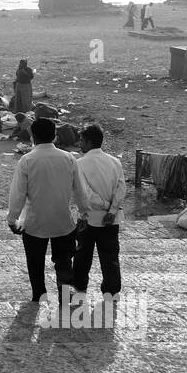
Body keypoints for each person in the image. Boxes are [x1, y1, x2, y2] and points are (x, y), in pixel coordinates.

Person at [7, 117, 79, 305]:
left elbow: (18, 193)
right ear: (55, 136)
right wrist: (84, 214)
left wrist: (12, 219)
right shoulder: (69, 158)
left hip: (34, 222)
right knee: (64, 260)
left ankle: (39, 294)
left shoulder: (27, 160)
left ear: (33, 137)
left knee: (35, 261)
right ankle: (65, 294)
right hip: (63, 221)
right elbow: (80, 190)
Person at [71, 124, 127, 300]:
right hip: (111, 219)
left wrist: (104, 206)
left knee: (82, 256)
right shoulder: (114, 162)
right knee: (110, 256)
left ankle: (80, 289)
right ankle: (111, 291)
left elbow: (85, 194)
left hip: (88, 218)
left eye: (82, 140)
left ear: (88, 142)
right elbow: (121, 189)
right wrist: (111, 210)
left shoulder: (79, 164)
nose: (80, 143)